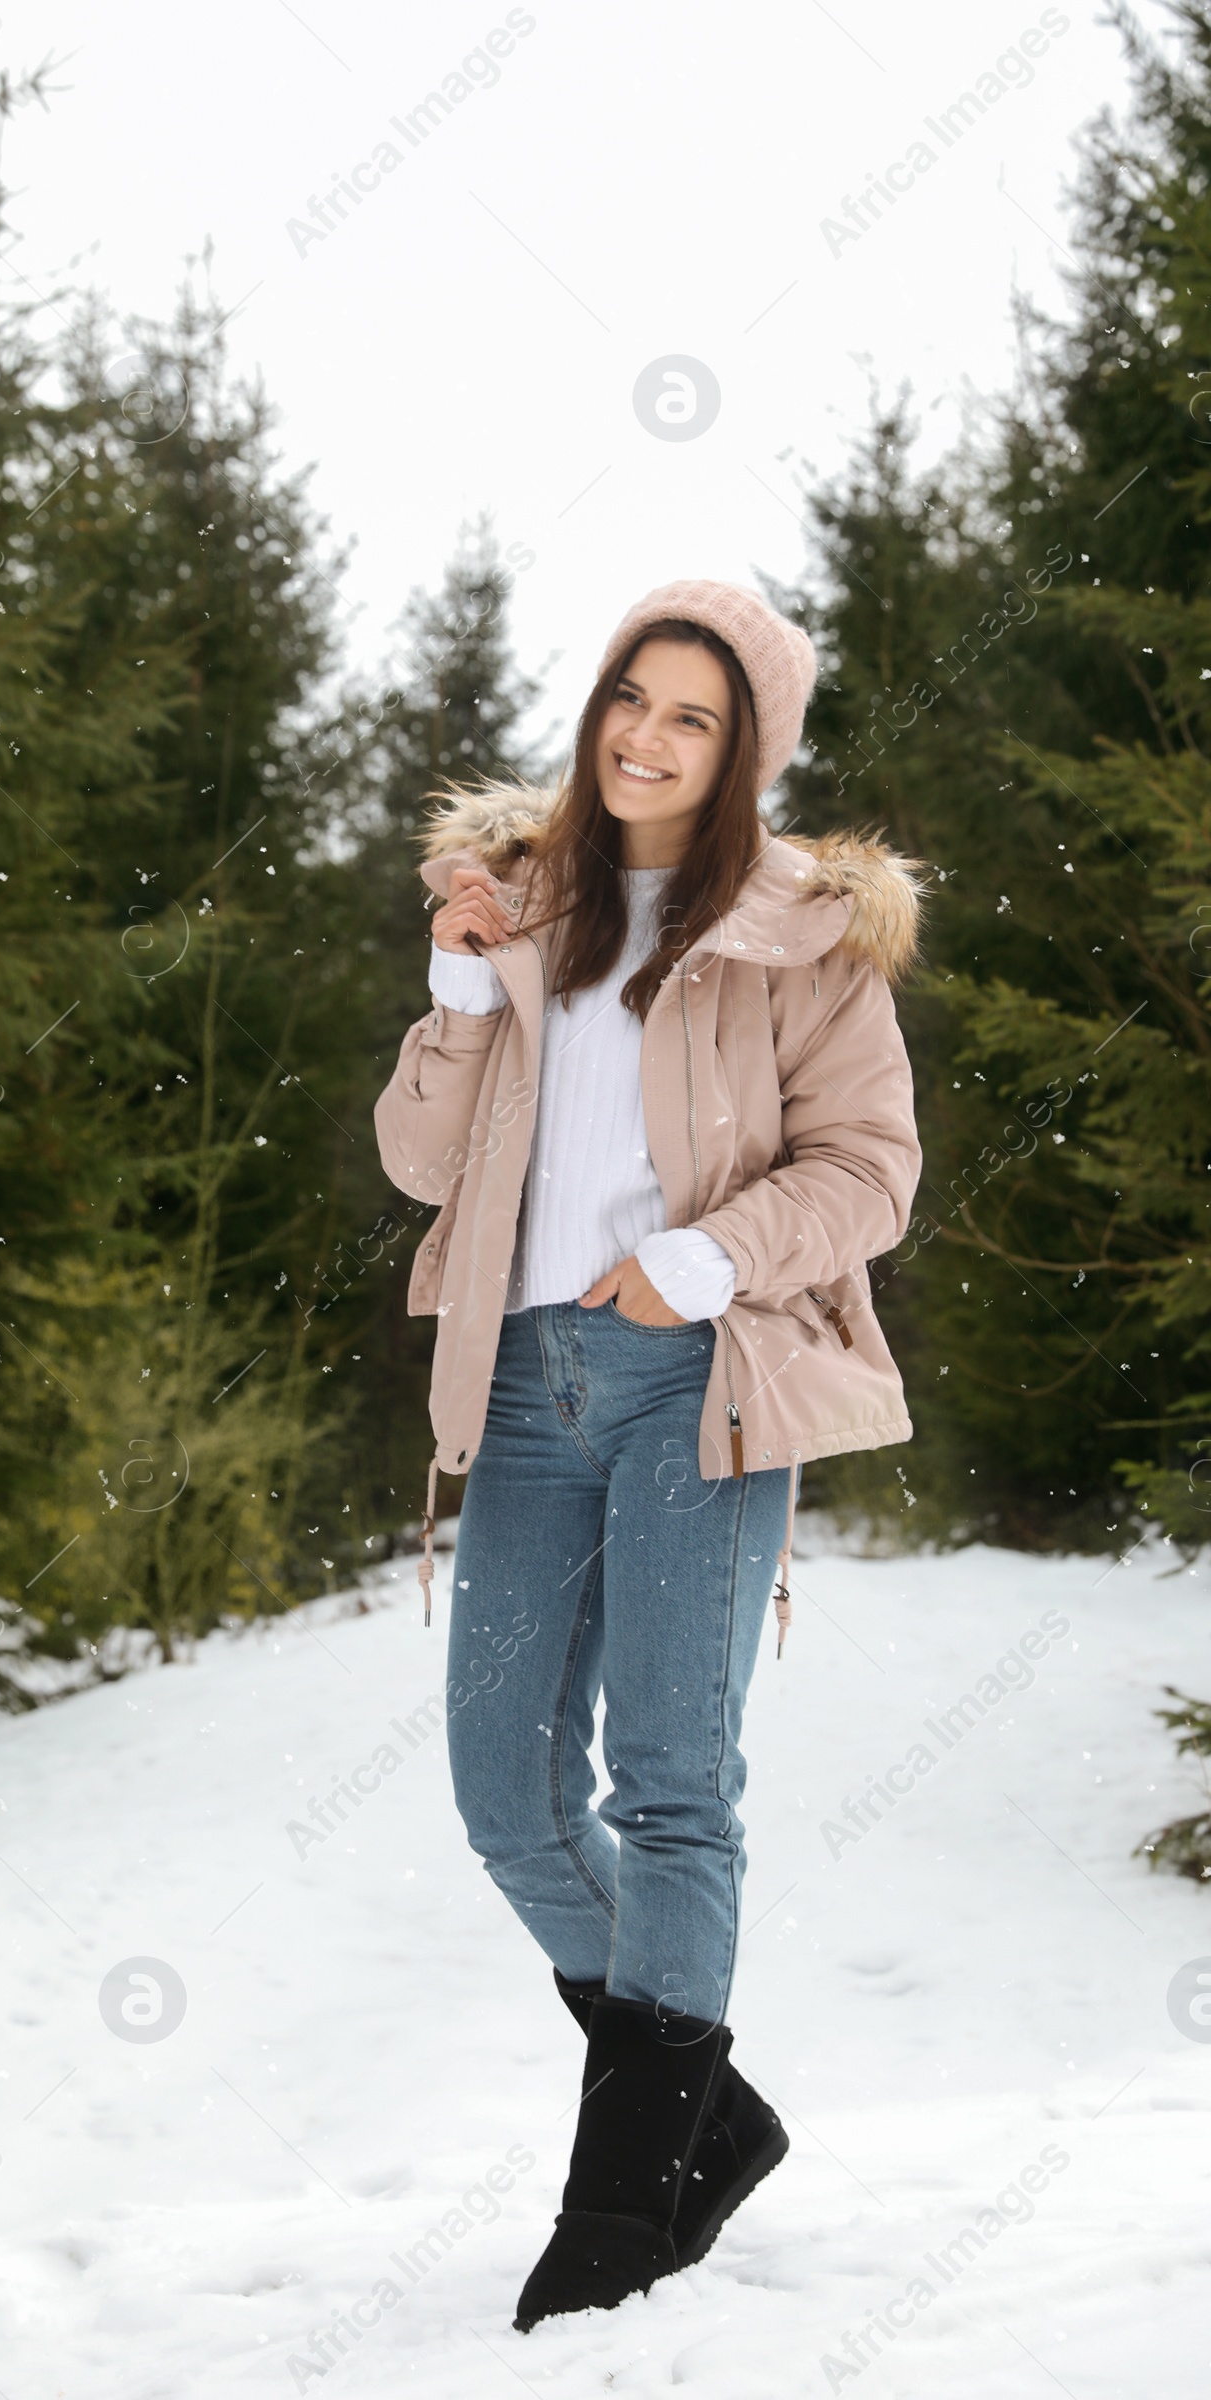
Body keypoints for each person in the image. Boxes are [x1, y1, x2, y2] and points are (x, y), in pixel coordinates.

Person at [373, 580, 923, 2332]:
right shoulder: (521, 912)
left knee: (669, 1785)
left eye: (692, 715)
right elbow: (416, 1162)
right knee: (501, 1792)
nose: (646, 736)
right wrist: (462, 988)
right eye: (631, 694)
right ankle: (707, 2108)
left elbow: (869, 1171)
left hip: (704, 1380)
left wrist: (702, 1263)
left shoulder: (801, 937)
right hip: (523, 1383)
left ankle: (621, 2205)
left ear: (742, 746)